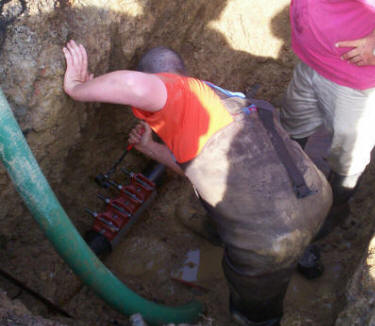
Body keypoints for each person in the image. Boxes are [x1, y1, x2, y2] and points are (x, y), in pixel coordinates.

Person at [63, 40, 332, 326]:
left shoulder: (177, 91)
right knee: (291, 231)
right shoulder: (215, 99)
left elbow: (135, 85)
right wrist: (150, 148)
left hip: (269, 238)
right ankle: (307, 259)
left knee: (255, 307)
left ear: (161, 77)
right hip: (313, 193)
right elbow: (203, 168)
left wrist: (78, 89)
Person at [280, 1, 375, 244]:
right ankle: (286, 187)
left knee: (348, 155)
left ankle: (335, 211)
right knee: (291, 127)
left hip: (355, 81)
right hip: (311, 60)